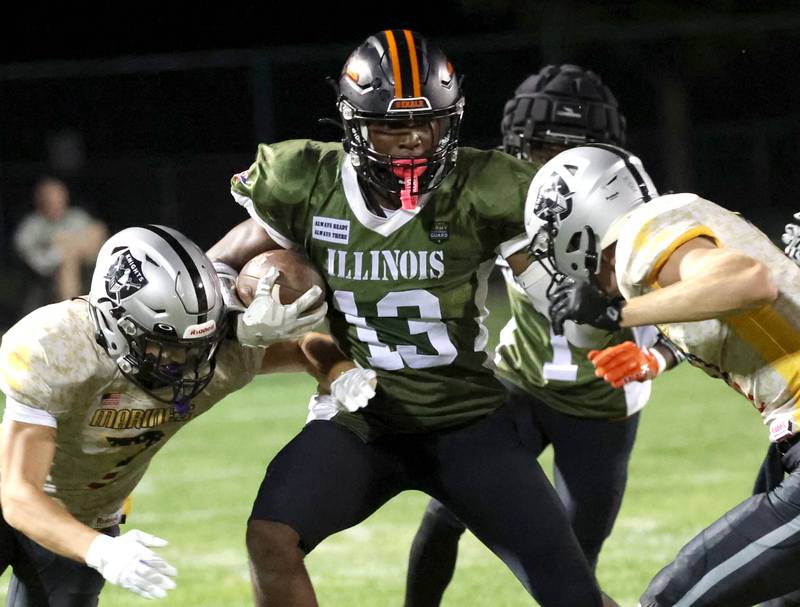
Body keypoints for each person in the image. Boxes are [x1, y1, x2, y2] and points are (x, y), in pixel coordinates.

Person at [209, 31, 616, 607]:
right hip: (361, 422)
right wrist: (241, 310)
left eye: (429, 124)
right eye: (393, 128)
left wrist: (578, 296)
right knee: (270, 536)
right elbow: (216, 266)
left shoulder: (486, 185)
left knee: (572, 592)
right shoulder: (306, 180)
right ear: (354, 126)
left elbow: (546, 282)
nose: (415, 142)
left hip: (468, 422)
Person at [403, 64, 682, 607]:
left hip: (602, 404)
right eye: (541, 149)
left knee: (571, 566)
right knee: (445, 506)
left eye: (571, 150)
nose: (554, 166)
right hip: (521, 382)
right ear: (516, 145)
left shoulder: (638, 217)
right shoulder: (505, 200)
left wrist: (660, 356)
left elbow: (694, 311)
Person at [0, 224, 373, 605]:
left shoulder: (219, 353)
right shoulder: (58, 347)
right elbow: (16, 495)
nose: (186, 361)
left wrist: (341, 376)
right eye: (166, 346)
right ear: (118, 324)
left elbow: (309, 347)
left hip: (88, 513)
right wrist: (101, 551)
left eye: (198, 345)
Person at [528, 143, 800, 606]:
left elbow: (748, 283)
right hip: (789, 441)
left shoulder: (638, 235)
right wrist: (655, 356)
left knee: (670, 599)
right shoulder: (671, 228)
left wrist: (618, 312)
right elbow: (724, 310)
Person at [13, 176, 108, 313]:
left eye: (61, 197)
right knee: (69, 257)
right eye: (52, 198)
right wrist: (62, 250)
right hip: (53, 273)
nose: (58, 202)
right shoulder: (31, 226)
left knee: (98, 229)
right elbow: (38, 264)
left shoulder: (76, 216)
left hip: (90, 264)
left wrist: (71, 243)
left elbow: (97, 239)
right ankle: (74, 312)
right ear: (42, 201)